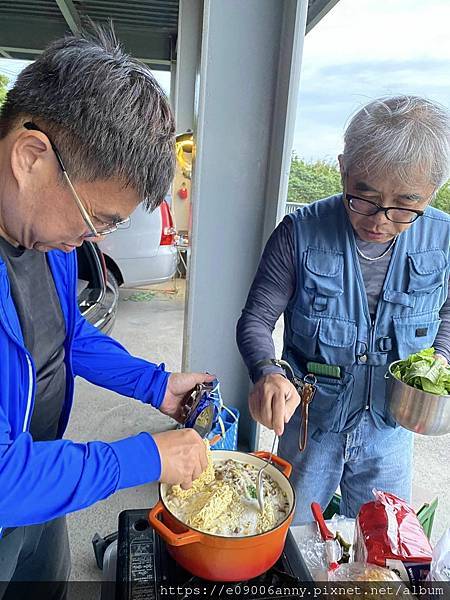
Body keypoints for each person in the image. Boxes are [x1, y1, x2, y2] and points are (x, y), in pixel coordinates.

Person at [0, 27, 211, 598]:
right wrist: (143, 458)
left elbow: (69, 336)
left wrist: (157, 387)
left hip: (47, 478)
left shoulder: (46, 239)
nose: (96, 237)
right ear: (30, 157)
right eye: (98, 215)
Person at [237, 95, 450, 525]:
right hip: (309, 425)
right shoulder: (299, 233)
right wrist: (268, 371)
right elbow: (256, 318)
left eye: (404, 207)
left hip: (390, 431)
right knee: (290, 533)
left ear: (431, 194)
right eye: (363, 198)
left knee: (379, 546)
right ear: (343, 169)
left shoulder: (443, 240)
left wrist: (439, 363)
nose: (379, 220)